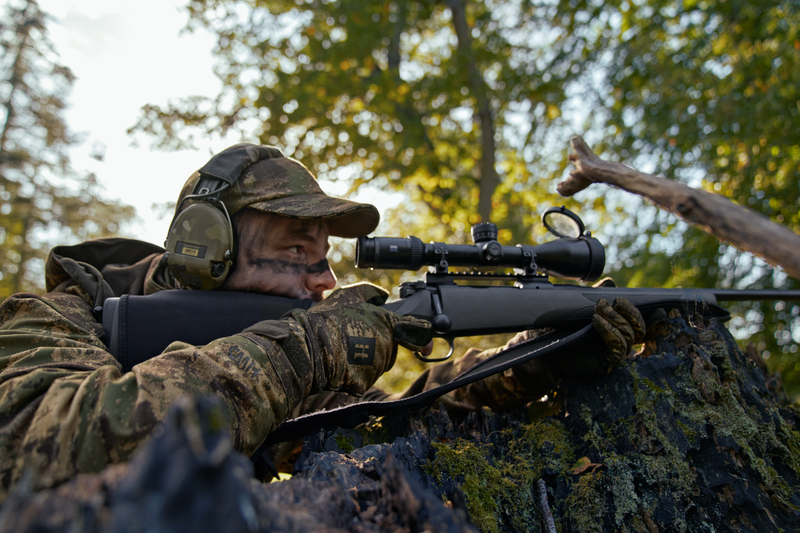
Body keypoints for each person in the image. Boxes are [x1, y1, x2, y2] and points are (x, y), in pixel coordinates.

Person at [0, 144, 644, 498]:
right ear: (204, 250)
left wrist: (532, 360)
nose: (325, 281)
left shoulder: (269, 353)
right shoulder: (54, 319)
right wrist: (305, 347)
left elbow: (400, 428)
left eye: (325, 257)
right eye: (295, 251)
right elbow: (43, 448)